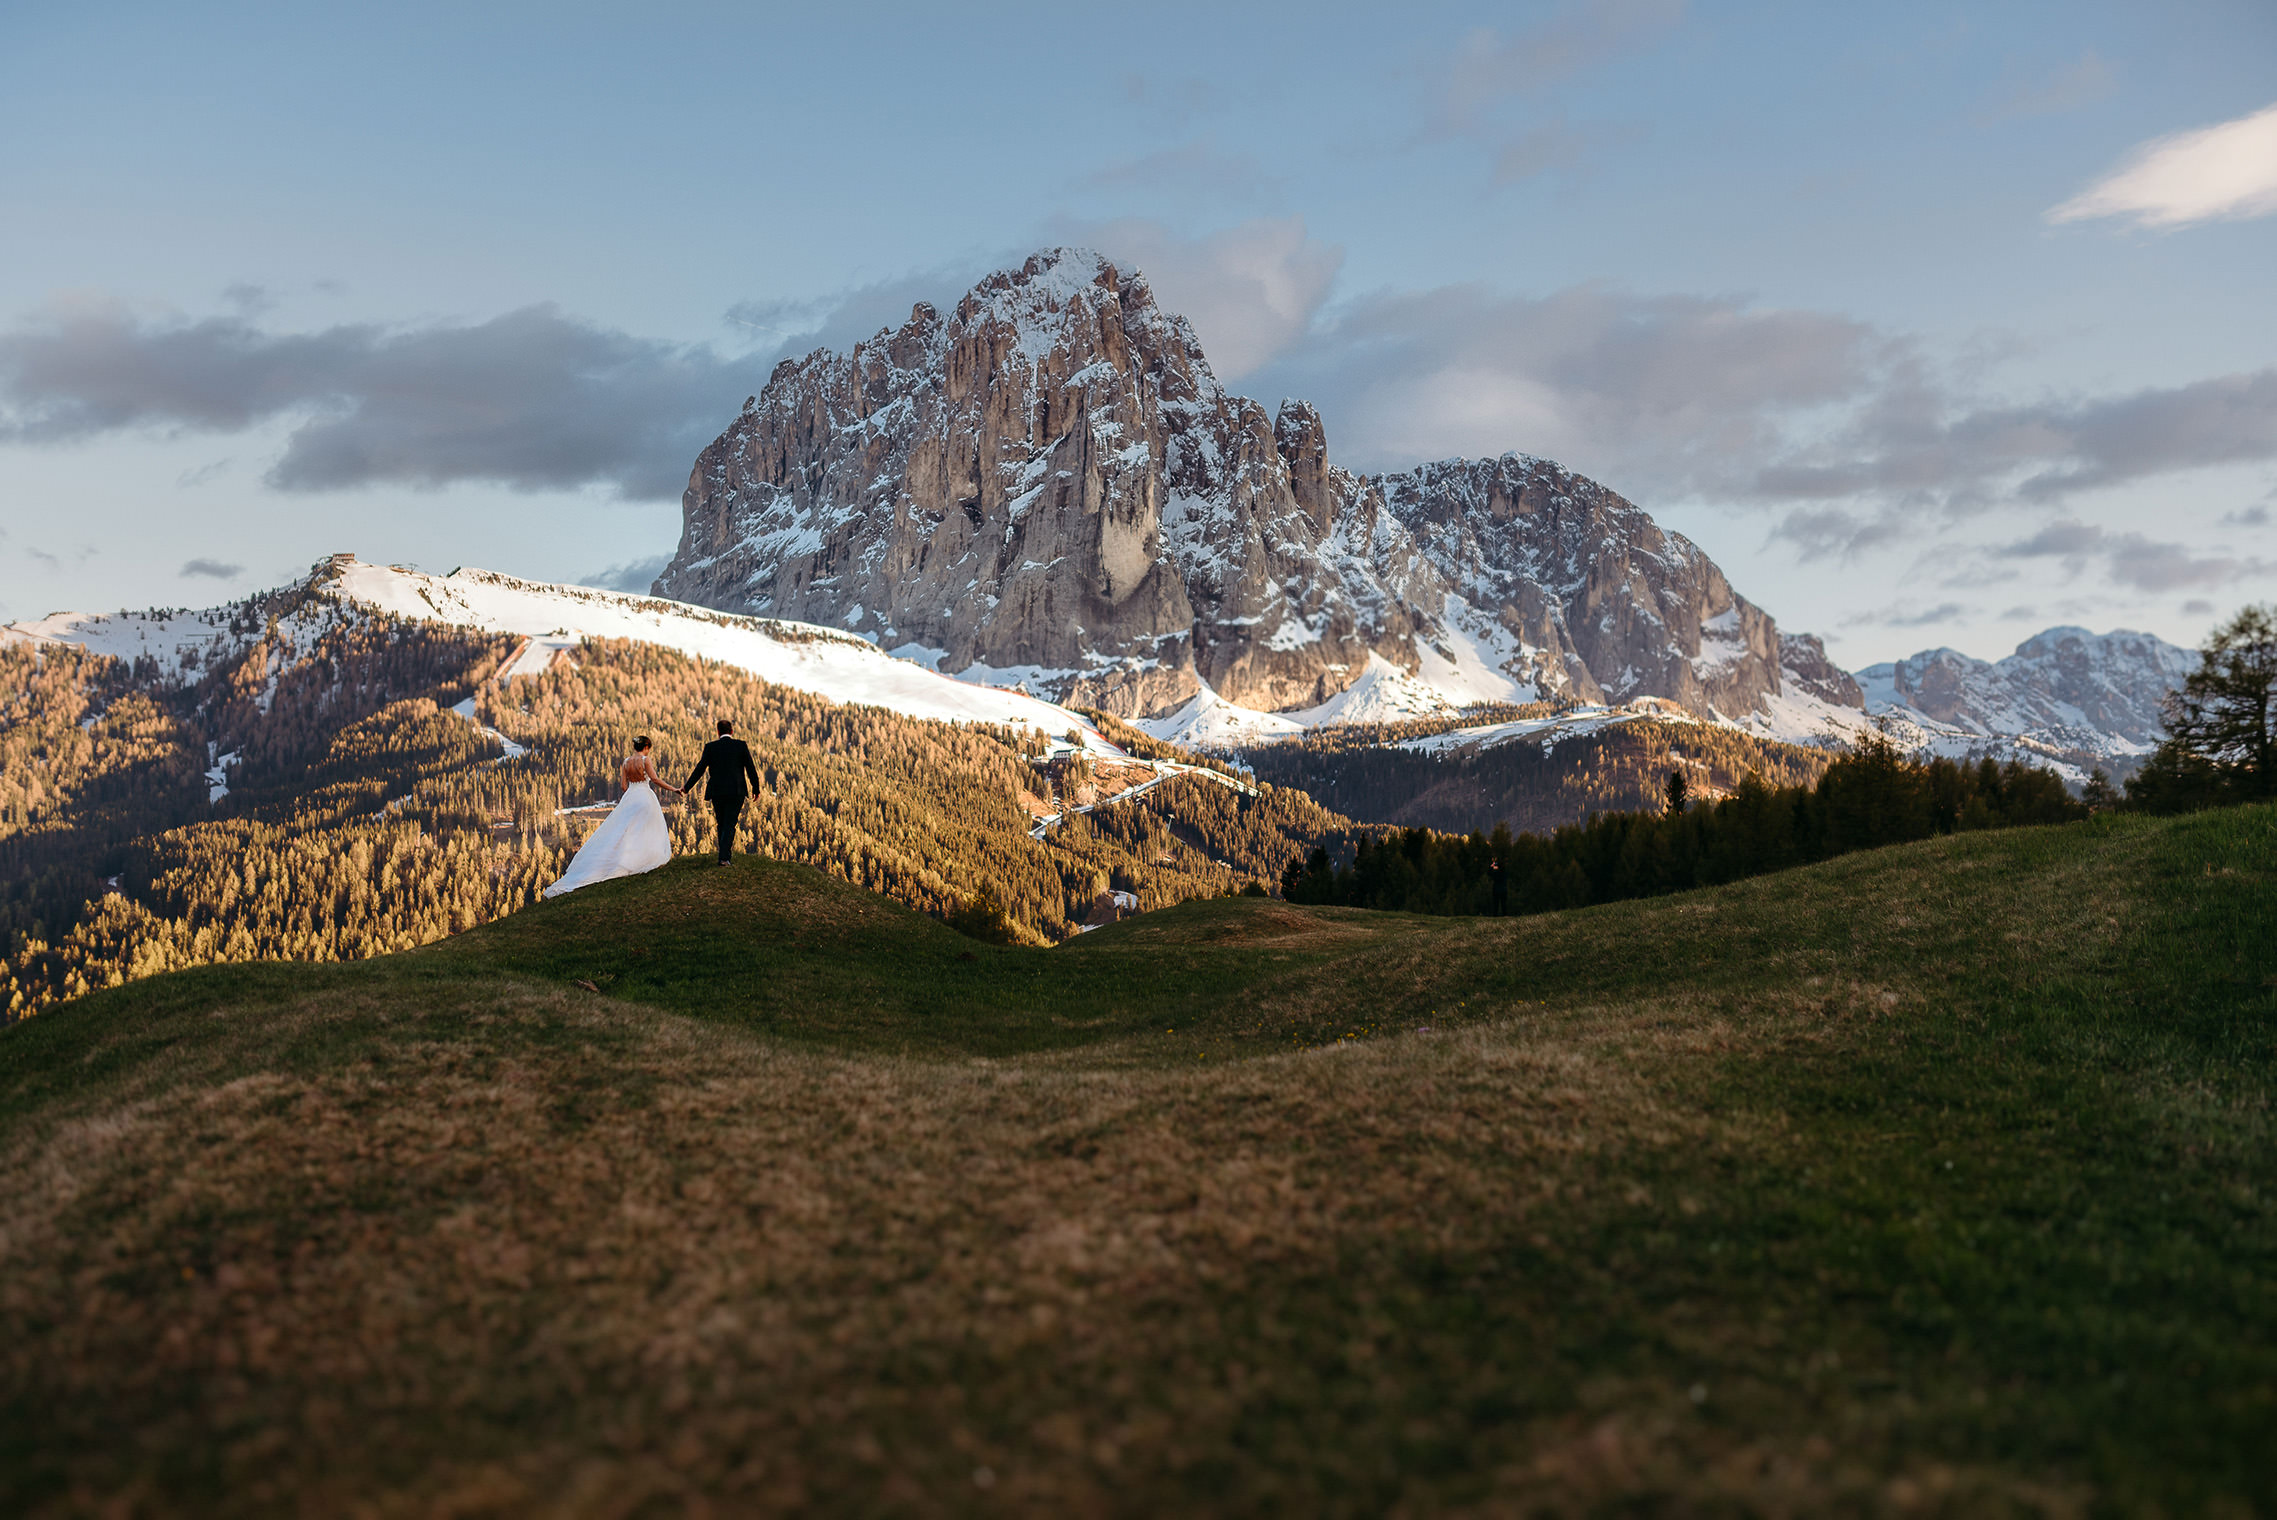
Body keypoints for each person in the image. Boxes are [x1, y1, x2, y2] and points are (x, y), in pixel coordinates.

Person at [542, 737, 683, 899]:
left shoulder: (626, 762)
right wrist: (674, 789)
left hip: (631, 797)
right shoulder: (645, 760)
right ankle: (641, 858)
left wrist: (633, 791)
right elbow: (655, 779)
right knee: (645, 828)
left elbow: (623, 786)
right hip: (645, 797)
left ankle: (621, 859)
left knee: (624, 830)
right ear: (646, 747)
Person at [685, 718, 762, 865]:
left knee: (721, 823)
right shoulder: (740, 745)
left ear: (718, 732)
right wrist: (756, 788)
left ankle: (724, 855)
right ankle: (724, 858)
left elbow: (700, 769)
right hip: (736, 790)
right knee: (730, 823)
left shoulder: (710, 747)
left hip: (717, 791)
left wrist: (687, 787)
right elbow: (751, 768)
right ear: (731, 731)